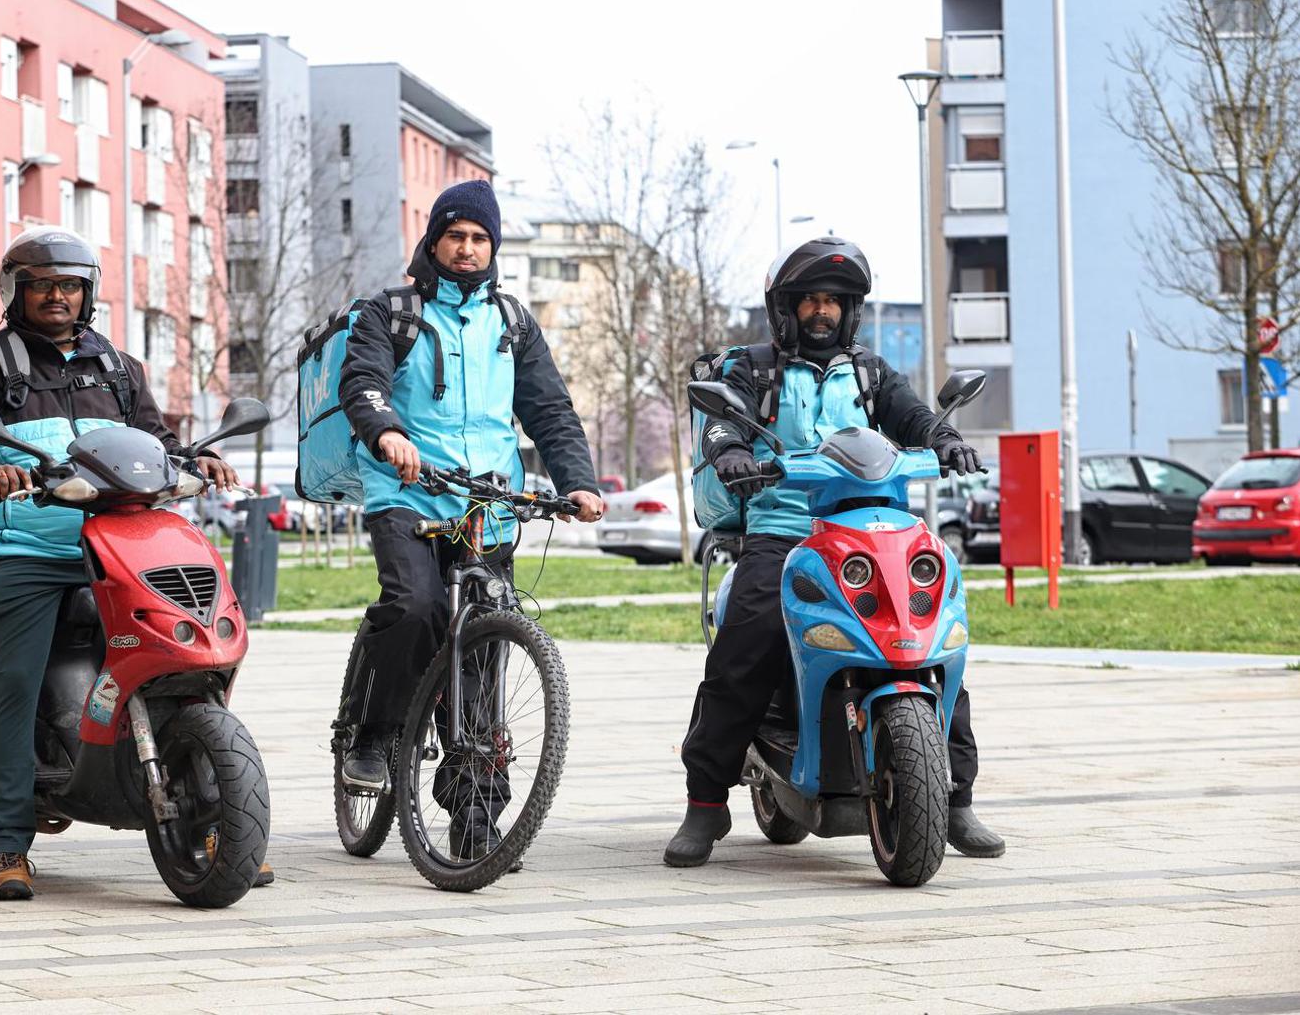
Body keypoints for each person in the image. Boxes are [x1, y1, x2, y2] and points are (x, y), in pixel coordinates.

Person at [0, 226, 259, 900]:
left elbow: (158, 444)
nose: (58, 297)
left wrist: (197, 459)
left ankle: (223, 819)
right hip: (25, 551)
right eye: (43, 285)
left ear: (89, 294)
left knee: (187, 652)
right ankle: (6, 844)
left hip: (121, 545)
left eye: (71, 286)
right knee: (17, 681)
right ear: (17, 291)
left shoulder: (119, 369)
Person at [663, 235, 1006, 868]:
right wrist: (729, 449)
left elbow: (912, 417)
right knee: (748, 639)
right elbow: (724, 422)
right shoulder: (754, 371)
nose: (822, 311)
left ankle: (955, 798)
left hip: (872, 528)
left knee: (935, 641)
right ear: (785, 309)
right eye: (810, 300)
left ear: (850, 311)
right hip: (785, 530)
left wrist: (946, 438)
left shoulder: (871, 374)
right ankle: (705, 801)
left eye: (834, 301)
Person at [335, 180, 604, 855]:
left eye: (480, 238)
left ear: (494, 247)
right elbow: (362, 382)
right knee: (415, 606)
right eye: (455, 235)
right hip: (409, 491)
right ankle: (374, 733)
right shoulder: (391, 312)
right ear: (434, 241)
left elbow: (550, 410)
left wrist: (577, 483)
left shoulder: (512, 322)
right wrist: (387, 432)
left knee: (483, 660)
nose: (467, 248)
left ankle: (476, 818)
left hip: (488, 504)